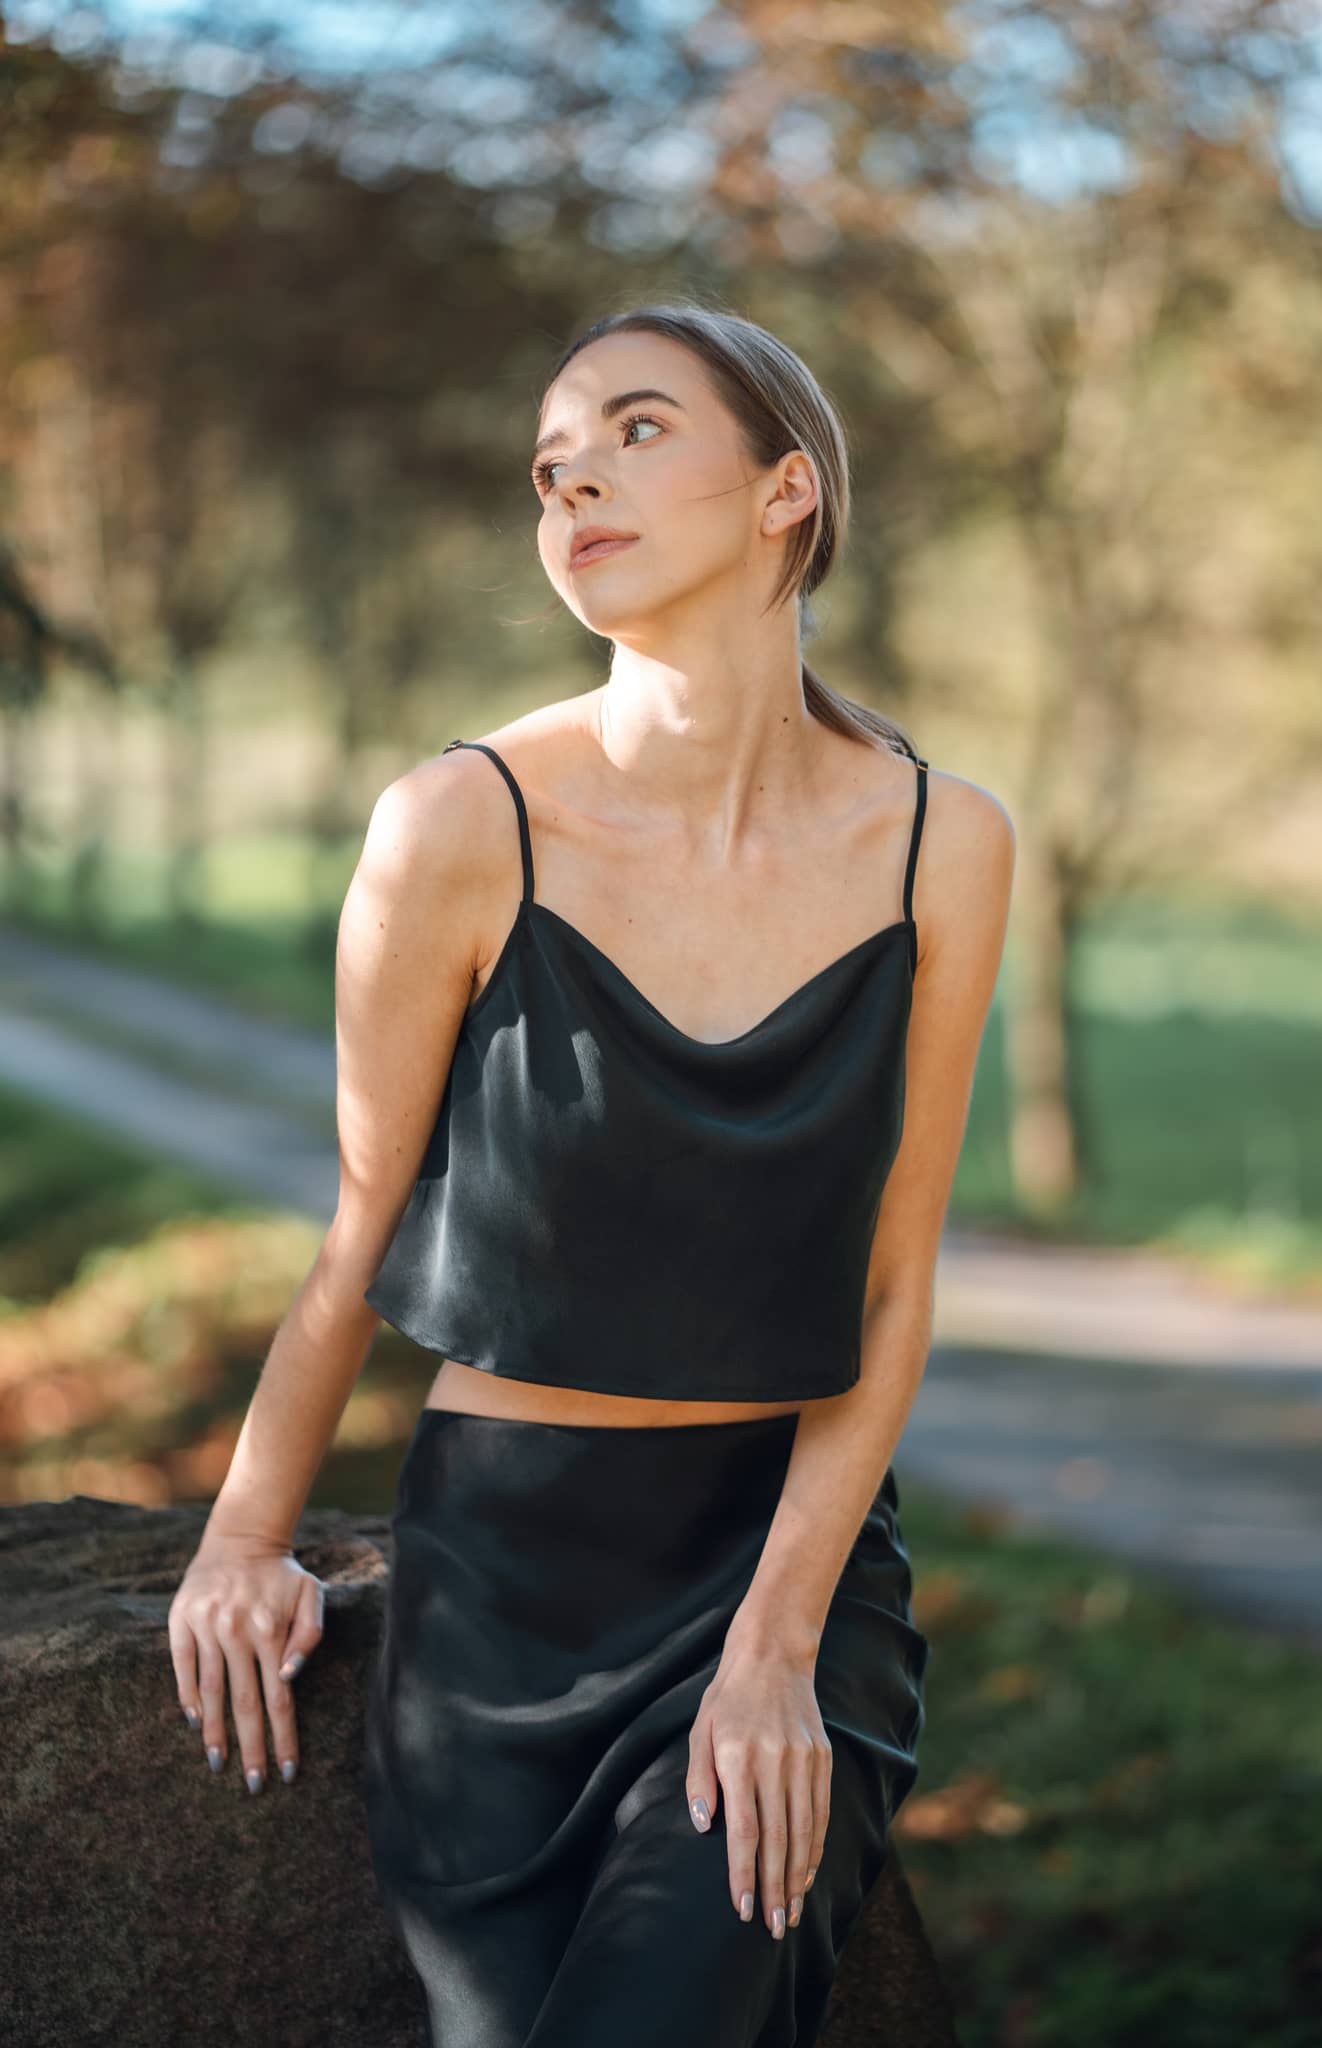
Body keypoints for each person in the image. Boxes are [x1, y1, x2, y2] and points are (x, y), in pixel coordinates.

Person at [167, 300, 1014, 2047]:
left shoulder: (942, 840)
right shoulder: (460, 823)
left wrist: (775, 1651)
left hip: (780, 1565)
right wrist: (244, 1537)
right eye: (550, 468)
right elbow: (359, 1229)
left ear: (789, 487)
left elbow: (893, 1283)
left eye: (633, 432)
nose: (573, 487)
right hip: (497, 1601)